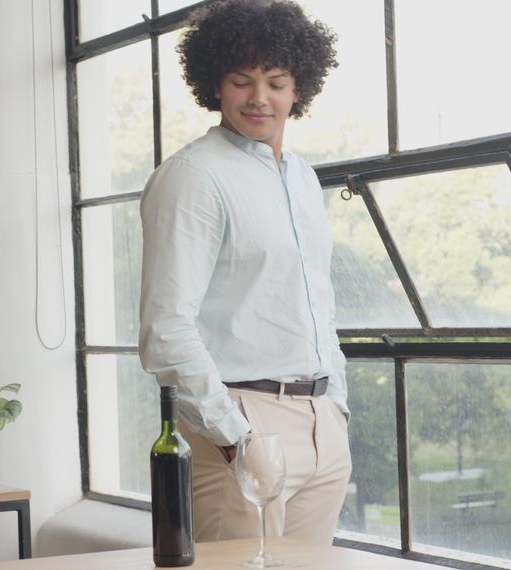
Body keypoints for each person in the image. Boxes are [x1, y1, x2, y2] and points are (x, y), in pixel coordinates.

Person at [138, 0, 351, 545]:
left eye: (277, 81)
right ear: (215, 84)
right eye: (242, 80)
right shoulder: (192, 177)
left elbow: (317, 304)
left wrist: (337, 407)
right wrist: (235, 438)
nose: (261, 97)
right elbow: (166, 330)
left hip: (321, 425)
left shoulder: (303, 178)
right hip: (240, 418)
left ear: (299, 88)